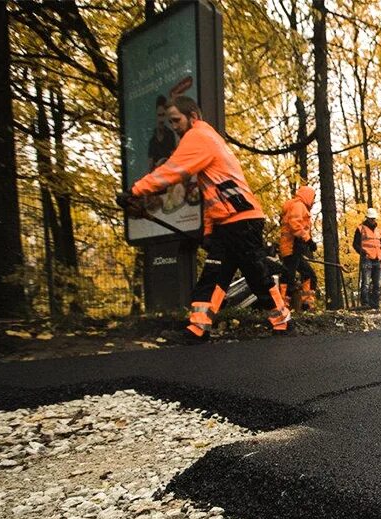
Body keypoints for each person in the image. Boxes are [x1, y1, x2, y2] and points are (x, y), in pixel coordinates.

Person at [117, 95, 291, 341]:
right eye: (170, 122)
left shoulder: (198, 136)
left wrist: (135, 190)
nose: (173, 126)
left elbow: (173, 171)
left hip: (243, 220)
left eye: (176, 120)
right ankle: (198, 328)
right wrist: (209, 232)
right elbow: (212, 196)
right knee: (214, 275)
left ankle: (283, 320)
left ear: (193, 116)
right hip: (227, 221)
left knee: (256, 275)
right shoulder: (206, 138)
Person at [280, 185, 318, 313]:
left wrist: (307, 242)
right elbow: (295, 225)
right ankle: (282, 308)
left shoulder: (299, 206)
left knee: (309, 274)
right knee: (288, 278)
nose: (313, 201)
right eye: (313, 198)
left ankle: (307, 304)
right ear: (308, 196)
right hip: (291, 247)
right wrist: (309, 240)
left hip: (295, 248)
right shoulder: (298, 205)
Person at [353, 208, 381, 309]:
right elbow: (355, 244)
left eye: (374, 218)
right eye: (371, 218)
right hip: (367, 258)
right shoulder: (360, 229)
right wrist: (362, 252)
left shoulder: (379, 231)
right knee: (365, 282)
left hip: (377, 259)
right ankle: (365, 304)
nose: (373, 220)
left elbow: (380, 244)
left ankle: (375, 304)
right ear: (367, 218)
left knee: (377, 284)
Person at [147, 94, 177, 171]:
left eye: (163, 115)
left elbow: (174, 160)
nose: (161, 120)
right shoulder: (152, 141)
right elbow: (150, 167)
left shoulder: (170, 135)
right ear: (156, 116)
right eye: (159, 115)